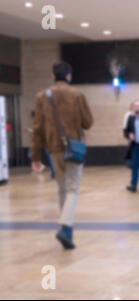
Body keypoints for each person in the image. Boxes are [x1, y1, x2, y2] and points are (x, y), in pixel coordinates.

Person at [31, 61, 94, 250]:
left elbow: (37, 129)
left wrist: (35, 157)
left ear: (52, 76)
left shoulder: (41, 96)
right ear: (69, 76)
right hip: (73, 148)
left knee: (61, 188)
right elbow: (88, 122)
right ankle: (65, 228)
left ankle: (66, 230)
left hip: (53, 149)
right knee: (73, 188)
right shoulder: (77, 94)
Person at [26, 111, 56, 178]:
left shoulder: (38, 122)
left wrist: (29, 130)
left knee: (50, 157)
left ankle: (54, 172)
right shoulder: (42, 121)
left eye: (31, 116)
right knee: (50, 157)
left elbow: (38, 131)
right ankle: (53, 172)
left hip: (45, 142)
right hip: (46, 141)